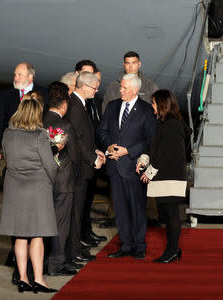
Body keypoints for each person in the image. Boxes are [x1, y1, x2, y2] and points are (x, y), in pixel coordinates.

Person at [0, 93, 58, 293]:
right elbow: (49, 165)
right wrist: (53, 179)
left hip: (14, 188)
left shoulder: (8, 133)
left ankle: (23, 278)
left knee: (20, 236)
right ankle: (39, 279)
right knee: (37, 236)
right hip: (37, 189)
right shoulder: (40, 135)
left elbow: (6, 157)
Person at [98, 73, 157, 260]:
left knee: (137, 208)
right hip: (114, 167)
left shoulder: (146, 110)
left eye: (124, 87)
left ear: (135, 89)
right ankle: (125, 244)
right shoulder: (112, 106)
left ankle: (139, 245)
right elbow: (102, 130)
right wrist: (109, 146)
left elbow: (149, 139)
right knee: (121, 209)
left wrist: (128, 151)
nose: (120, 90)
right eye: (121, 87)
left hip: (134, 168)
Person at [136, 89, 191, 263]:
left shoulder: (172, 125)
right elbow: (155, 147)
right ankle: (173, 249)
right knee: (167, 215)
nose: (152, 107)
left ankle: (172, 251)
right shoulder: (165, 123)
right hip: (166, 175)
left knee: (172, 214)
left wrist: (149, 173)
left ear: (161, 105)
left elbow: (166, 154)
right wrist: (144, 160)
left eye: (153, 103)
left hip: (171, 176)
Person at [64, 71, 106, 265]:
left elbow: (86, 137)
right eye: (94, 88)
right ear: (84, 86)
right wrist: (92, 158)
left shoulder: (80, 105)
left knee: (78, 212)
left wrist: (96, 150)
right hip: (79, 169)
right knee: (75, 213)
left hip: (83, 167)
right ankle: (72, 252)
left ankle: (76, 248)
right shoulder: (75, 107)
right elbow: (77, 140)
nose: (96, 91)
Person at [42, 82, 79, 276]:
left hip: (44, 179)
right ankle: (56, 265)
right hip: (63, 181)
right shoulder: (65, 125)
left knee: (44, 222)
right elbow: (74, 155)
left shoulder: (40, 120)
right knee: (61, 224)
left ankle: (44, 260)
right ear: (64, 105)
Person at [0, 62, 48, 160]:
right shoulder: (6, 95)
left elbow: (46, 120)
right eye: (15, 74)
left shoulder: (44, 94)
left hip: (35, 150)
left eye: (19, 75)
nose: (15, 78)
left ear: (30, 77)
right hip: (10, 149)